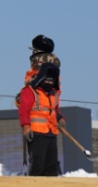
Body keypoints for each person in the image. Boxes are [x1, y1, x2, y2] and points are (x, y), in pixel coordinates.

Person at [16, 34, 64, 176]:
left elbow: (52, 107)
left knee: (50, 165)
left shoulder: (38, 71)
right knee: (39, 164)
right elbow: (26, 106)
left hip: (49, 129)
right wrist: (26, 125)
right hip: (38, 131)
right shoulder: (52, 73)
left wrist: (59, 117)